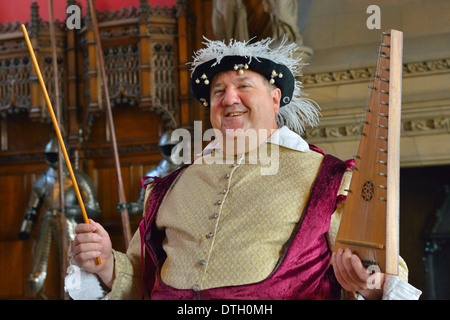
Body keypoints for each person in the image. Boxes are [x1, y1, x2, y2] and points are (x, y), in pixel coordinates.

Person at [66, 38, 421, 300]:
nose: (229, 98)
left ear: (275, 98)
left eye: (243, 86)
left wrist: (368, 283)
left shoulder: (327, 178)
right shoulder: (169, 186)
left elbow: (383, 270)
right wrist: (104, 264)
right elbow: (141, 275)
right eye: (218, 90)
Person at [19, 138, 101, 298]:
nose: (51, 158)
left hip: (69, 222)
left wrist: (69, 210)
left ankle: (72, 296)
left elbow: (94, 209)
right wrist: (25, 229)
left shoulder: (77, 178)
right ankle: (35, 292)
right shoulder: (43, 180)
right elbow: (32, 208)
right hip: (47, 221)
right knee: (37, 267)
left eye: (54, 155)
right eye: (49, 155)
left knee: (72, 265)